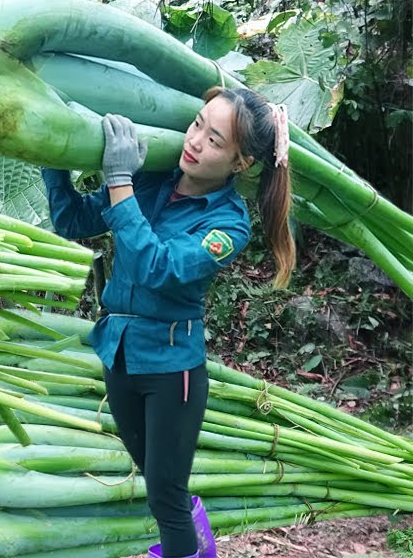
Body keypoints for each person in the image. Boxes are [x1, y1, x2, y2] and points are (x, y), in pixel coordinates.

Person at [42, 87, 295, 558]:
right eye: (197, 124)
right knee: (156, 477)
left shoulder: (228, 225)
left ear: (239, 163)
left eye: (214, 140)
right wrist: (51, 152)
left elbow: (156, 267)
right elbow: (71, 219)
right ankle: (198, 544)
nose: (195, 141)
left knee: (165, 495)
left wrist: (119, 180)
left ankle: (190, 546)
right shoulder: (154, 181)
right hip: (119, 353)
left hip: (170, 370)